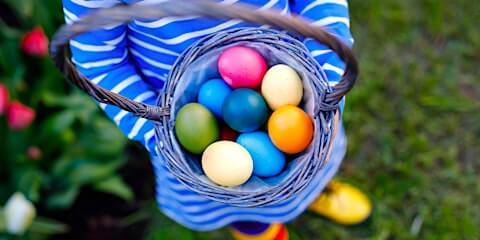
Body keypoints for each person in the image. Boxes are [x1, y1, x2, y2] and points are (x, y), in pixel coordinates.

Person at [62, 0, 372, 239]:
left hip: (295, 92)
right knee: (235, 194)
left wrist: (325, 78)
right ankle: (261, 232)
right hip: (182, 119)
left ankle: (313, 190)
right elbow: (101, 61)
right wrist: (156, 130)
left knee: (305, 157)